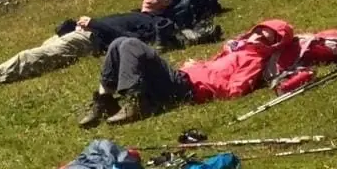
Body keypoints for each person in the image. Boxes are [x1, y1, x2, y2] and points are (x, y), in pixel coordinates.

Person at [0, 0, 184, 99]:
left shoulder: (153, 24)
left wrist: (95, 25)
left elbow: (130, 42)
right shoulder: (133, 13)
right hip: (77, 33)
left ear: (166, 4)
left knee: (26, 59)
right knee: (33, 58)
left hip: (88, 41)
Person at [79, 18, 301, 127]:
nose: (259, 37)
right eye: (259, 32)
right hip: (182, 78)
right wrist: (197, 65)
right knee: (119, 42)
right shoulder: (237, 49)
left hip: (186, 88)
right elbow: (216, 68)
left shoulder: (253, 59)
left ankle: (135, 101)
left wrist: (205, 84)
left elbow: (235, 89)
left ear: (273, 45)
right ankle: (104, 100)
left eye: (267, 37)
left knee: (131, 45)